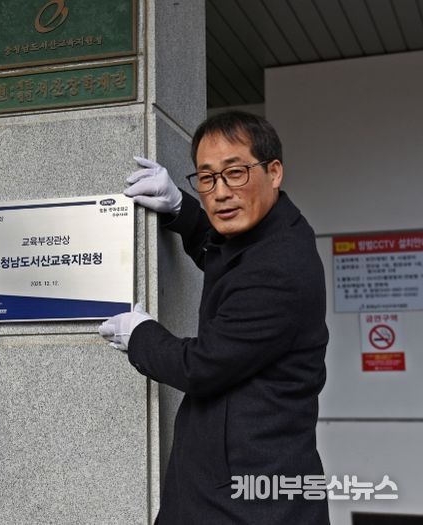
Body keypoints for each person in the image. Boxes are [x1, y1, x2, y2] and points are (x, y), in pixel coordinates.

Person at [99, 111, 329, 524]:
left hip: (253, 497)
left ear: (273, 172)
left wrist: (139, 336)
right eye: (206, 178)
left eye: (235, 173)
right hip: (229, 476)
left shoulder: (281, 268)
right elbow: (225, 250)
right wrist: (178, 208)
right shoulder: (272, 231)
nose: (220, 192)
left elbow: (202, 366)